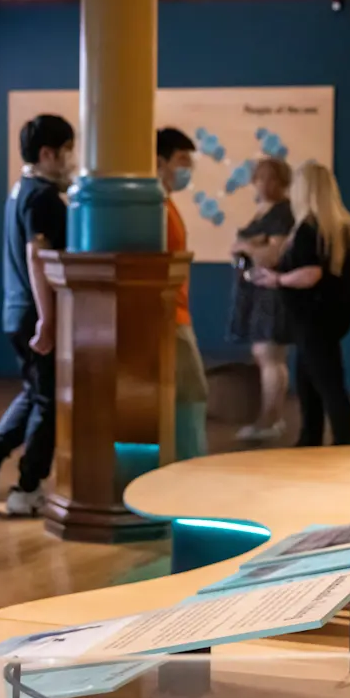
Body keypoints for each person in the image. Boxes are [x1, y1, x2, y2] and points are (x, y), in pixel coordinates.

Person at [0, 114, 74, 515]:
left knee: (35, 391)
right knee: (48, 401)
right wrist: (48, 317)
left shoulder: (21, 190)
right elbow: (37, 255)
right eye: (66, 151)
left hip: (15, 310)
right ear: (47, 153)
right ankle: (26, 489)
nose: (70, 159)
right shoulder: (43, 197)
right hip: (35, 312)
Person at [249, 162, 350, 446]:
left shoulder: (309, 229)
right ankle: (310, 441)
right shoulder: (337, 229)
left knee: (327, 385)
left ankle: (341, 445)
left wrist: (278, 280)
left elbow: (312, 273)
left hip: (313, 321)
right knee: (312, 383)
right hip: (326, 319)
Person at [228, 157, 295, 442]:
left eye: (273, 179)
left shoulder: (282, 213)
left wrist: (248, 247)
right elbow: (237, 250)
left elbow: (273, 255)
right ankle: (270, 417)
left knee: (270, 355)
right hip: (254, 290)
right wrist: (250, 245)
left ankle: (270, 418)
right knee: (262, 354)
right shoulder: (260, 213)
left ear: (283, 182)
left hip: (272, 291)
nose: (266, 184)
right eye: (261, 178)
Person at [157, 127, 210, 459]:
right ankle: (189, 470)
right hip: (169, 316)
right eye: (181, 160)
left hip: (178, 311)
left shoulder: (167, 203)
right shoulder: (154, 206)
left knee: (188, 394)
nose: (186, 168)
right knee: (191, 393)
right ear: (159, 160)